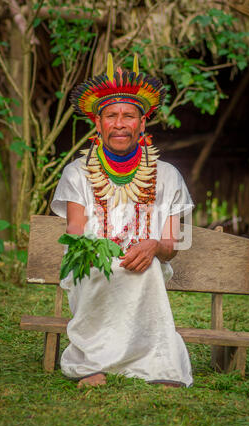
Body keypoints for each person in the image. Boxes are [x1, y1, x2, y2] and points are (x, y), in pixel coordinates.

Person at [51, 54, 194, 389]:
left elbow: (171, 246)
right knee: (106, 268)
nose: (119, 123)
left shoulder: (168, 176)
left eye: (128, 115)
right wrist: (102, 249)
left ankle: (158, 362)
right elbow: (75, 237)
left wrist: (155, 245)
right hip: (93, 266)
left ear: (142, 124)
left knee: (145, 269)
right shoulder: (77, 173)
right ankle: (91, 363)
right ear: (98, 124)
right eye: (110, 115)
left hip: (146, 270)